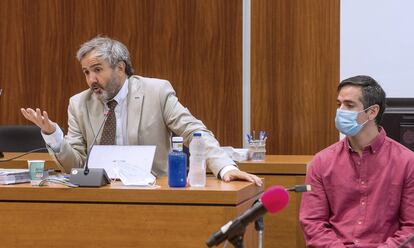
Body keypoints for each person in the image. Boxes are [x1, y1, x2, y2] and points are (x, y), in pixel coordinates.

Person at [21, 36, 262, 186]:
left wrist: (225, 167)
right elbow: (76, 163)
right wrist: (53, 134)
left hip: (153, 193)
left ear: (120, 68)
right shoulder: (79, 103)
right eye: (86, 72)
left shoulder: (156, 92)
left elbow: (194, 131)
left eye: (97, 70)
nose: (91, 79)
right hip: (100, 195)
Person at [284, 75, 414, 248]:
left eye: (349, 105)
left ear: (372, 112)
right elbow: (313, 221)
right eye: (339, 104)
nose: (340, 111)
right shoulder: (322, 161)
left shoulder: (407, 161)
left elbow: (411, 228)